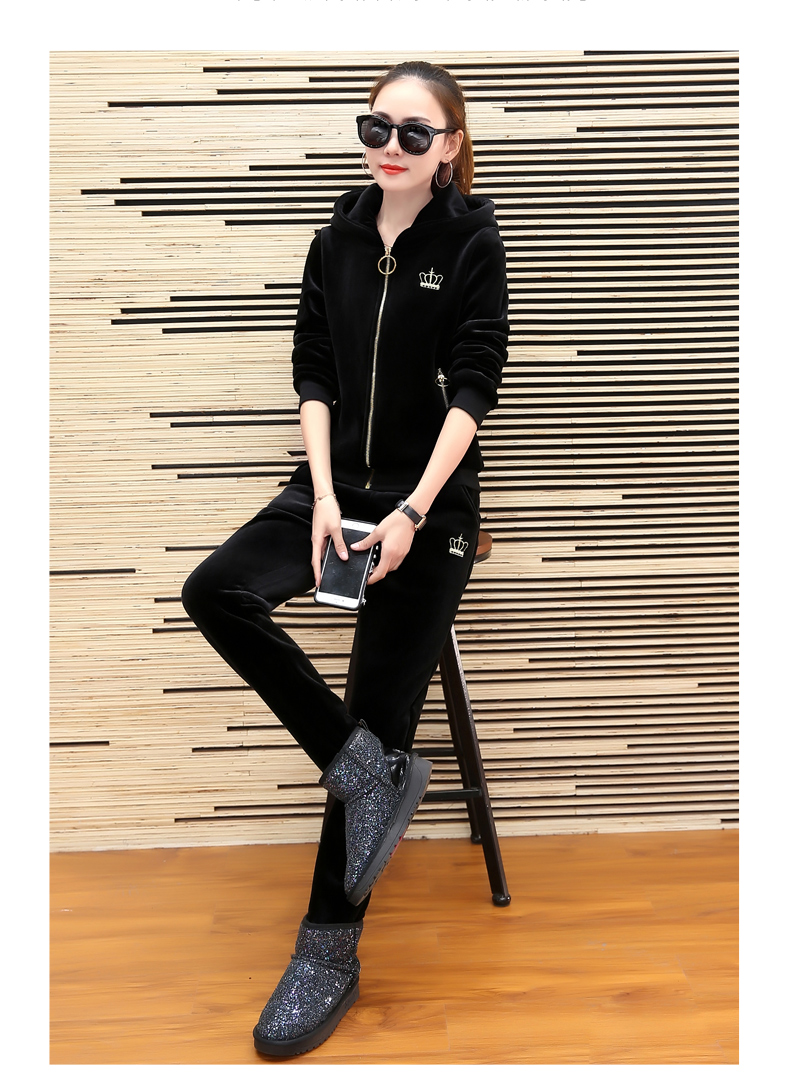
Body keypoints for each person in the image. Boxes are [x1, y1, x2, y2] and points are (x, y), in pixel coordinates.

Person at [181, 59, 509, 1058]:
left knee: (377, 706)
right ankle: (367, 775)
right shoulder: (334, 240)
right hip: (333, 489)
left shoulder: (472, 242)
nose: (392, 148)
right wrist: (323, 497)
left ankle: (328, 947)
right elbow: (314, 372)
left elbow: (475, 386)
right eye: (377, 128)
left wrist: (411, 509)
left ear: (450, 145)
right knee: (216, 591)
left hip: (427, 509)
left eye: (415, 132)